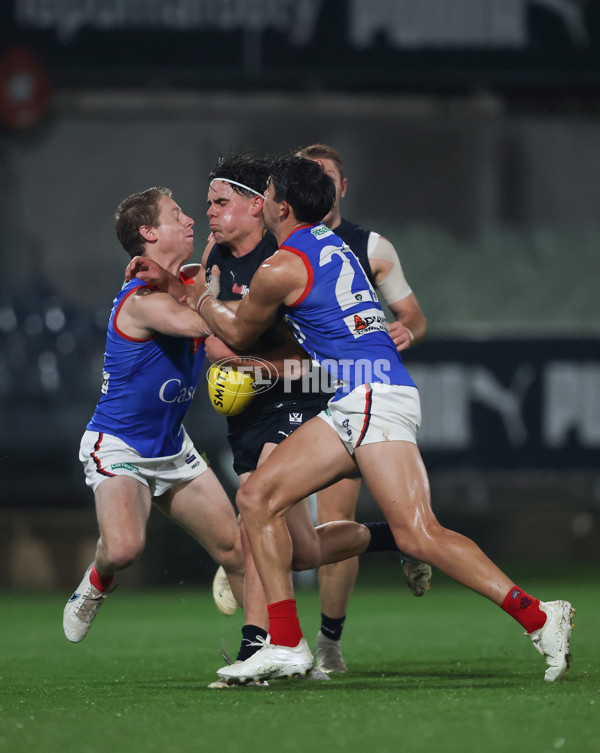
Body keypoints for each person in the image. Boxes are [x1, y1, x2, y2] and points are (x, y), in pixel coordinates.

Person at [191, 155, 574, 685]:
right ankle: (286, 646)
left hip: (370, 396)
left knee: (420, 534)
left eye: (270, 192)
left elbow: (234, 334)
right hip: (358, 396)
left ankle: (539, 615)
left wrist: (197, 296)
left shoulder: (282, 265)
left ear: (280, 206)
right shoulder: (332, 244)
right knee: (258, 500)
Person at [127, 155, 431, 686]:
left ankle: (271, 647)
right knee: (303, 549)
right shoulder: (216, 254)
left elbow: (315, 352)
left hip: (306, 399)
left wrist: (253, 365)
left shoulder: (288, 252)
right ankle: (395, 540)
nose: (211, 213)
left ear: (257, 204)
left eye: (221, 202)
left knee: (254, 512)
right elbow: (214, 331)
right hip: (249, 411)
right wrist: (168, 282)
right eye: (208, 204)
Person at [62, 186, 246, 644]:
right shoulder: (143, 299)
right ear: (147, 232)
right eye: (176, 214)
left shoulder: (182, 281)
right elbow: (206, 321)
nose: (190, 220)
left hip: (171, 447)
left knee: (236, 549)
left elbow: (211, 307)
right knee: (126, 549)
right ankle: (97, 579)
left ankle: (269, 646)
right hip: (119, 444)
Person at [296, 143, 428, 672]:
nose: (319, 185)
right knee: (265, 501)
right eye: (309, 176)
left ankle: (328, 642)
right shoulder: (279, 244)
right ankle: (403, 537)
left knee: (332, 520)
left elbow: (414, 316)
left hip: (356, 391)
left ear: (342, 187)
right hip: (298, 392)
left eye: (327, 177)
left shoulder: (372, 247)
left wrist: (407, 331)